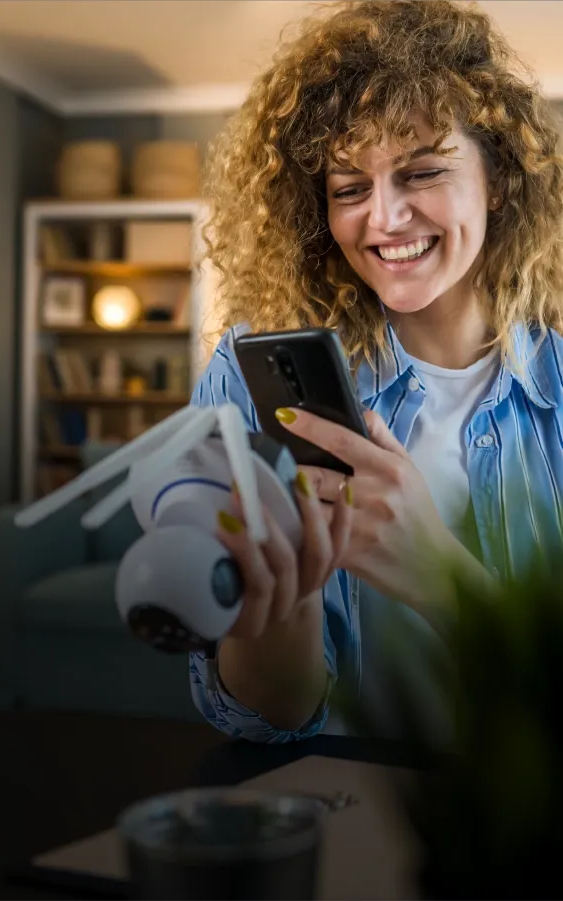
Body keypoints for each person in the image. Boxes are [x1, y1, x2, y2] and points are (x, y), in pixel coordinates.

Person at [188, 0, 563, 743]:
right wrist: (285, 592)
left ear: (498, 178)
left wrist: (434, 570)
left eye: (420, 171)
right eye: (349, 188)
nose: (383, 220)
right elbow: (266, 721)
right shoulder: (245, 374)